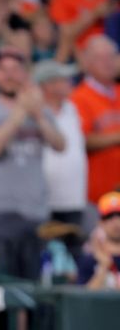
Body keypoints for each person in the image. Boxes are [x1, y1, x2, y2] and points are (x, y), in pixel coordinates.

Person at [0, 48, 65, 279]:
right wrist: (21, 110)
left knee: (38, 295)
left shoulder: (39, 110)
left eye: (15, 70)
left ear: (26, 75)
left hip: (35, 212)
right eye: (3, 70)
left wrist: (39, 115)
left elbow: (60, 144)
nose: (9, 75)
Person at [35, 60, 87, 227]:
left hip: (74, 199)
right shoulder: (33, 112)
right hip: (42, 201)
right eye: (63, 79)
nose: (70, 83)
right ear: (48, 85)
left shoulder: (72, 108)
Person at [70, 35, 120, 205]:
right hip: (97, 197)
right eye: (101, 58)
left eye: (112, 56)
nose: (108, 62)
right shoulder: (78, 97)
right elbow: (80, 140)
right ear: (87, 62)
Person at [79, 191, 120, 289]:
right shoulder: (89, 260)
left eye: (119, 215)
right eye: (109, 217)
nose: (116, 222)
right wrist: (103, 267)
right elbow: (83, 299)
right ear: (100, 222)